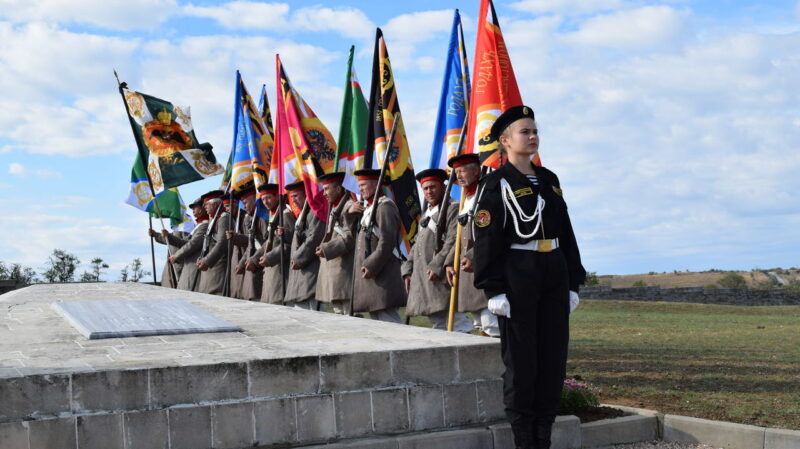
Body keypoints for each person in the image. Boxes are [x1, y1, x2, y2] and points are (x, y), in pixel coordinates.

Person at [472, 105, 586, 449]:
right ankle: (523, 440)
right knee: (522, 364)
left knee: (553, 359)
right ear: (505, 141)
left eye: (535, 131)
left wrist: (571, 282)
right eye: (525, 132)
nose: (533, 137)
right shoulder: (495, 183)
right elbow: (487, 239)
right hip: (518, 274)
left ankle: (543, 436)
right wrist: (493, 288)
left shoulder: (549, 179)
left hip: (553, 270)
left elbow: (565, 232)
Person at [402, 168, 471, 331]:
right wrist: (407, 269)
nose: (429, 191)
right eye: (425, 188)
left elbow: (453, 240)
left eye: (433, 187)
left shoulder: (452, 207)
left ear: (442, 187)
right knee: (439, 322)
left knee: (454, 321)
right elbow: (418, 244)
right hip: (423, 275)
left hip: (438, 275)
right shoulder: (427, 212)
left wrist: (437, 265)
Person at [444, 153, 500, 337]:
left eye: (462, 171)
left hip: (484, 267)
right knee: (480, 323)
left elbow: (491, 234)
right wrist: (449, 263)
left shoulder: (486, 196)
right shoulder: (465, 200)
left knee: (491, 323)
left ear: (476, 171)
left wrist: (472, 256)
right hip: (467, 274)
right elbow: (458, 238)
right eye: (456, 172)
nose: (458, 176)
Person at [350, 169, 407, 323]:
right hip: (375, 275)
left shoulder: (384, 207)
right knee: (379, 321)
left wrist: (371, 264)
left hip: (383, 274)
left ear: (376, 185)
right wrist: (349, 214)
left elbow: (387, 241)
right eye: (359, 185)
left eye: (363, 185)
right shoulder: (369, 208)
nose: (360, 189)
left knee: (389, 321)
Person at [315, 172, 359, 315]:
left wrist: (326, 248)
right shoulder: (335, 207)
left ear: (339, 189)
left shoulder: (348, 206)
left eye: (327, 188)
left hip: (344, 271)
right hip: (335, 273)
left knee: (350, 317)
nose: (324, 193)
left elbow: (349, 238)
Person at [283, 180, 325, 309]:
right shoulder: (303, 213)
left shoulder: (314, 211)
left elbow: (314, 238)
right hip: (301, 274)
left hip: (310, 272)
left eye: (296, 195)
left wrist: (298, 258)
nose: (293, 200)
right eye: (291, 197)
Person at [252, 184, 295, 305]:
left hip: (281, 272)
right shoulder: (273, 215)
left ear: (277, 196)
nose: (265, 202)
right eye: (263, 199)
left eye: (269, 197)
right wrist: (254, 259)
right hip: (271, 273)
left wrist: (270, 257)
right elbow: (268, 242)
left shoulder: (284, 214)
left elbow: (290, 244)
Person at [230, 181, 265, 301]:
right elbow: (251, 243)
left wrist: (254, 260)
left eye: (245, 203)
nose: (244, 206)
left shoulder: (263, 216)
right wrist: (241, 263)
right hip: (252, 266)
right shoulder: (250, 218)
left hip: (260, 266)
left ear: (254, 199)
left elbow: (267, 243)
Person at [164, 197, 209, 291]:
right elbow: (185, 243)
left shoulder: (205, 225)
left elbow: (193, 244)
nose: (193, 210)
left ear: (202, 208)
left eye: (195, 207)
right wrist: (168, 236)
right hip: (189, 265)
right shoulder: (199, 225)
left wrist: (176, 256)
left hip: (194, 266)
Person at [196, 189, 229, 295]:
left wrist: (207, 260)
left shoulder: (223, 218)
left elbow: (222, 243)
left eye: (206, 204)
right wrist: (202, 258)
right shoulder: (215, 220)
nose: (204, 207)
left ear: (215, 205)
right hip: (211, 268)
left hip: (218, 268)